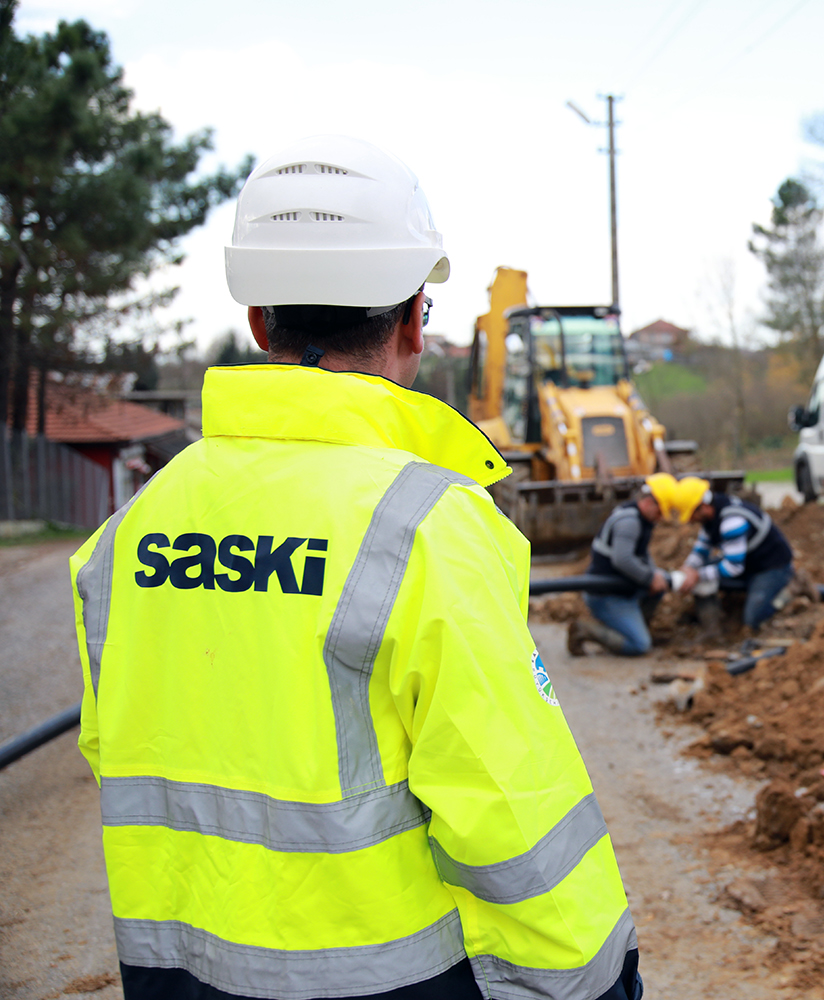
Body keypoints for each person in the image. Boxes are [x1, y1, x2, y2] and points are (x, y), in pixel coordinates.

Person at [69, 135, 641, 1000]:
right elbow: (511, 814)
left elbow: (122, 753)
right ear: (414, 321)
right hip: (391, 982)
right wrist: (599, 985)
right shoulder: (428, 527)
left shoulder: (125, 536)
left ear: (259, 323)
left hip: (175, 976)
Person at [664, 478, 795, 634]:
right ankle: (712, 630)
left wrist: (697, 575)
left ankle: (791, 591)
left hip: (771, 566)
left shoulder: (732, 522)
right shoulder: (712, 516)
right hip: (747, 562)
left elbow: (733, 567)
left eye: (691, 514)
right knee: (703, 578)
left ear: (703, 507)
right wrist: (688, 569)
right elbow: (701, 549)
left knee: (753, 620)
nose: (691, 520)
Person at [568, 473, 678, 656]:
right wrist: (650, 578)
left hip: (622, 588)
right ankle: (585, 629)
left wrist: (654, 576)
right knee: (640, 645)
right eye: (660, 512)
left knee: (660, 584)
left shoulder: (641, 519)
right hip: (607, 595)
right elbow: (623, 560)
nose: (660, 518)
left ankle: (633, 627)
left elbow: (642, 554)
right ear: (650, 502)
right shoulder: (630, 522)